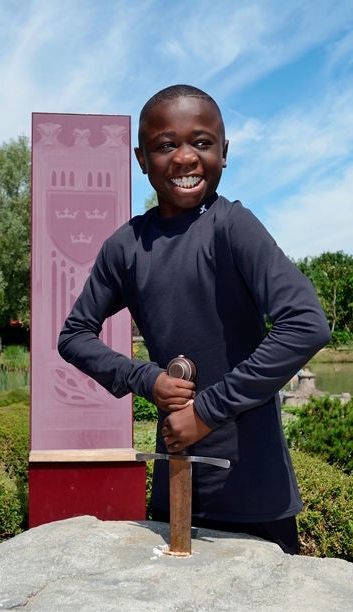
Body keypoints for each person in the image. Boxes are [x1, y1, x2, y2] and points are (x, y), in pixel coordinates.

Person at [58, 84, 331, 554]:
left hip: (257, 496)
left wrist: (206, 411)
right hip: (176, 491)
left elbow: (306, 323)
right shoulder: (126, 247)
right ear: (142, 159)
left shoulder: (231, 227)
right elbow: (74, 336)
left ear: (223, 154)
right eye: (167, 145)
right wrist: (145, 378)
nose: (185, 158)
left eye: (201, 143)